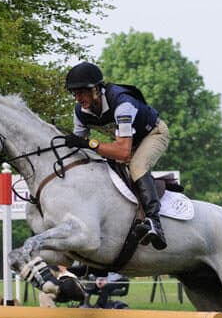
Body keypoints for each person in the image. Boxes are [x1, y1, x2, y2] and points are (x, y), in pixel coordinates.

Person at [64, 62, 169, 250]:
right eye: (74, 93)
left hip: (153, 133)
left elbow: (123, 152)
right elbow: (77, 147)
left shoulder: (122, 104)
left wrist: (90, 144)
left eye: (82, 92)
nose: (78, 98)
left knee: (137, 166)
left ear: (96, 89)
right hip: (128, 142)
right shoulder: (80, 112)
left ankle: (154, 222)